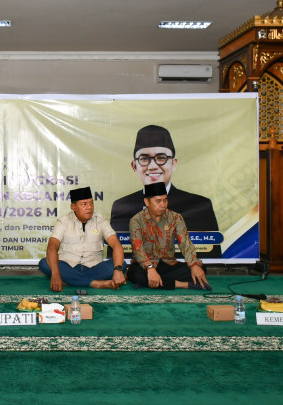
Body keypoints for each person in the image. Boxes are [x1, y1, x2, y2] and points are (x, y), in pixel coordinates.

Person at [110, 124, 220, 257]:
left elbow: (211, 257)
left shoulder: (199, 205)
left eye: (161, 158)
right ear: (134, 166)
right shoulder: (122, 206)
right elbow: (118, 253)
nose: (153, 166)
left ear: (173, 163)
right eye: (144, 159)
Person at [39, 186, 126, 291]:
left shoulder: (100, 220)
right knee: (44, 263)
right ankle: (95, 283)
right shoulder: (63, 222)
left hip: (94, 268)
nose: (89, 207)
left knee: (121, 264)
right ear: (73, 207)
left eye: (91, 203)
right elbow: (52, 247)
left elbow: (116, 245)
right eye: (84, 204)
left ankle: (71, 280)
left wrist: (118, 270)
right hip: (69, 267)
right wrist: (56, 274)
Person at [128, 182, 211, 290]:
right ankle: (183, 285)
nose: (163, 204)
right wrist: (150, 268)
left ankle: (153, 282)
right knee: (134, 274)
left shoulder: (175, 218)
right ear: (147, 202)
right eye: (158, 201)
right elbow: (138, 249)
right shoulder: (136, 220)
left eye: (165, 200)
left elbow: (185, 243)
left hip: (168, 264)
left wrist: (194, 265)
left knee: (201, 268)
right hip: (145, 265)